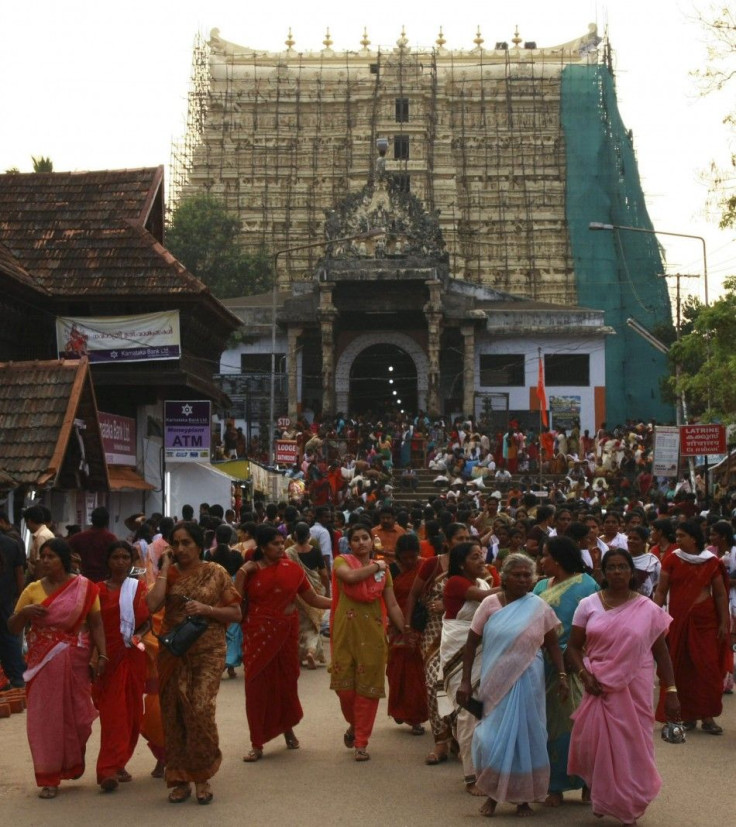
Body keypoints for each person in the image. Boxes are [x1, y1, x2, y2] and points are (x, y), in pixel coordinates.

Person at [566, 549, 680, 826]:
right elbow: (572, 648)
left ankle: (630, 805)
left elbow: (662, 653)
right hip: (597, 684)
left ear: (632, 573)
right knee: (595, 746)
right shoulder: (588, 605)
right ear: (603, 574)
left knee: (633, 746)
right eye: (611, 567)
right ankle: (604, 796)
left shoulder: (648, 609)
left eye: (622, 567)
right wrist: (584, 676)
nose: (617, 572)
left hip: (634, 687)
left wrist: (672, 692)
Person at [457, 552, 567, 818]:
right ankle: (493, 796)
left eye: (526, 575)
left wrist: (562, 676)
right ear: (503, 577)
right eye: (516, 575)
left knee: (527, 736)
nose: (522, 579)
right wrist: (464, 682)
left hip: (529, 681)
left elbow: (552, 644)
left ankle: (523, 799)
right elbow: (471, 644)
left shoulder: (538, 606)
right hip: (495, 682)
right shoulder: (490, 604)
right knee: (490, 738)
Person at [145, 521, 242, 804]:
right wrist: (164, 569)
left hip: (208, 650)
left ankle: (202, 776)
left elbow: (235, 613)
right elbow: (152, 606)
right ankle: (178, 778)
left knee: (199, 708)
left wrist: (206, 609)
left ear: (199, 545)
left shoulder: (216, 573)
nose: (181, 548)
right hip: (174, 652)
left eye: (187, 542)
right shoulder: (169, 575)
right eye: (176, 543)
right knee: (173, 713)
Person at [8, 538, 106, 799]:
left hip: (76, 659)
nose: (45, 561)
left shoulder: (84, 588)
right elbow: (13, 628)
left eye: (51, 556)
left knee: (78, 718)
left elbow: (96, 624)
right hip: (43, 662)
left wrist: (101, 655)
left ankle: (72, 759)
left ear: (63, 559)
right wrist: (25, 613)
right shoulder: (32, 590)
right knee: (44, 719)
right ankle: (49, 777)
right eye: (43, 556)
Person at [236, 524, 331, 762]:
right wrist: (242, 573)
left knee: (286, 684)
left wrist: (340, 602)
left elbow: (312, 598)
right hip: (257, 635)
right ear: (262, 546)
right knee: (256, 688)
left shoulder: (292, 569)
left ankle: (288, 729)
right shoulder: (250, 570)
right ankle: (256, 743)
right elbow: (235, 603)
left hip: (286, 635)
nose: (281, 547)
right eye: (275, 544)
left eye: (282, 543)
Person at [330, 522, 405, 761]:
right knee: (345, 690)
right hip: (346, 633)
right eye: (356, 539)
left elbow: (392, 604)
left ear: (372, 542)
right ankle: (354, 725)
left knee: (368, 690)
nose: (362, 542)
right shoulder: (342, 562)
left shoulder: (384, 570)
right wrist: (376, 566)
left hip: (372, 634)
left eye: (365, 538)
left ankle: (361, 741)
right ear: (349, 543)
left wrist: (405, 630)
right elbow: (350, 578)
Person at [533, 536, 599, 807]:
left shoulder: (587, 585)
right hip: (541, 665)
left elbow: (596, 625)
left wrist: (579, 657)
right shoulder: (538, 586)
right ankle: (554, 786)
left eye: (545, 555)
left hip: (575, 666)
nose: (541, 561)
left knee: (580, 726)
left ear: (558, 559)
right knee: (546, 725)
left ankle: (588, 783)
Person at [653, 519, 729, 733]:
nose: (677, 540)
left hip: (706, 623)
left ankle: (708, 717)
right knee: (681, 669)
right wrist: (652, 615)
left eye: (681, 536)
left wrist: (724, 622)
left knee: (708, 668)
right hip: (679, 622)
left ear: (694, 538)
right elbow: (661, 590)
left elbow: (721, 594)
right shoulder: (672, 560)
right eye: (676, 536)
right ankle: (686, 716)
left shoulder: (711, 562)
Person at [404, 521, 471, 765]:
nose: (463, 543)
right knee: (434, 683)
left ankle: (460, 738)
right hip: (434, 631)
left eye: (467, 538)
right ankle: (440, 741)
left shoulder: (473, 565)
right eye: (459, 539)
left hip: (465, 634)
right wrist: (408, 626)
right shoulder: (433, 565)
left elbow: (485, 597)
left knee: (460, 685)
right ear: (447, 542)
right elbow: (413, 594)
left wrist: (450, 604)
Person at [93, 541, 148, 792]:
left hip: (133, 656)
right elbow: (91, 626)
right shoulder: (97, 591)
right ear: (108, 561)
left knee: (132, 713)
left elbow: (147, 623)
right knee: (113, 714)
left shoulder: (138, 588)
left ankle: (119, 762)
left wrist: (135, 641)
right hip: (107, 658)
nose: (121, 562)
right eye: (116, 557)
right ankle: (107, 769)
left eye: (126, 557)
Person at [439, 541, 492, 795]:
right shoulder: (457, 583)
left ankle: (483, 769)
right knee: (468, 712)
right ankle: (471, 777)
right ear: (462, 564)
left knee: (483, 712)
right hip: (461, 657)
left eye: (482, 556)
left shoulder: (482, 582)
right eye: (475, 557)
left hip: (481, 654)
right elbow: (487, 599)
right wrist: (523, 584)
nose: (482, 560)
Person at [386, 533, 428, 735]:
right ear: (399, 556)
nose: (410, 561)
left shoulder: (426, 567)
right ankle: (398, 708)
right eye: (405, 557)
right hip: (396, 625)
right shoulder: (391, 570)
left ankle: (416, 718)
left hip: (420, 625)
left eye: (413, 557)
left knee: (415, 673)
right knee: (395, 670)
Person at [285, 521, 329, 669]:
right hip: (314, 591)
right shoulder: (315, 551)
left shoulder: (288, 553)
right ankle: (311, 651)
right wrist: (327, 590)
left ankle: (299, 655)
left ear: (295, 535)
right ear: (309, 535)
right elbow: (323, 573)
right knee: (314, 625)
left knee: (300, 625)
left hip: (297, 593)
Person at [205, 524, 244, 679]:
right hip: (232, 595)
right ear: (230, 537)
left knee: (218, 630)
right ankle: (231, 666)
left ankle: (219, 662)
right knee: (233, 630)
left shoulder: (208, 554)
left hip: (214, 596)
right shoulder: (236, 555)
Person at [0, 529, 26, 689]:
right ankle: (16, 675)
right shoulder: (12, 544)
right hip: (5, 598)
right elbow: (19, 573)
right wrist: (20, 596)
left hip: (6, 598)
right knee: (9, 636)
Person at [68, 507, 118, 583]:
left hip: (85, 578)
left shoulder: (79, 537)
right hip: (105, 579)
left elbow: (64, 552)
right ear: (107, 521)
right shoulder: (111, 539)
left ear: (92, 520)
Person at [627, 525, 661, 597]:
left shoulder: (652, 561)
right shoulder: (621, 558)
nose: (631, 541)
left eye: (635, 539)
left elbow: (658, 586)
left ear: (644, 542)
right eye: (629, 538)